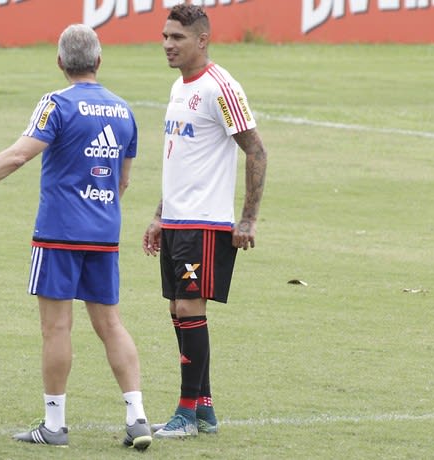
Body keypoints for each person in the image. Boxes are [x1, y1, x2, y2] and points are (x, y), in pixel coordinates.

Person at [0, 24, 152, 450]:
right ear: (99, 61)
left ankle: (54, 425)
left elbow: (17, 155)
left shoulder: (56, 104)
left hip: (59, 233)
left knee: (56, 328)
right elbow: (123, 180)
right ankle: (138, 416)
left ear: (60, 62)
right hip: (104, 232)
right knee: (111, 324)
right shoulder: (124, 110)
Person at [142, 4, 268, 438]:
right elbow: (181, 159)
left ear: (202, 39)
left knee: (190, 308)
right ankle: (204, 410)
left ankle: (185, 412)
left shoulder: (221, 87)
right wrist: (160, 215)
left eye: (176, 38)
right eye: (165, 36)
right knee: (179, 312)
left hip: (207, 222)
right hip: (178, 220)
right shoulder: (180, 88)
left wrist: (248, 219)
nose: (167, 45)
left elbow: (256, 150)